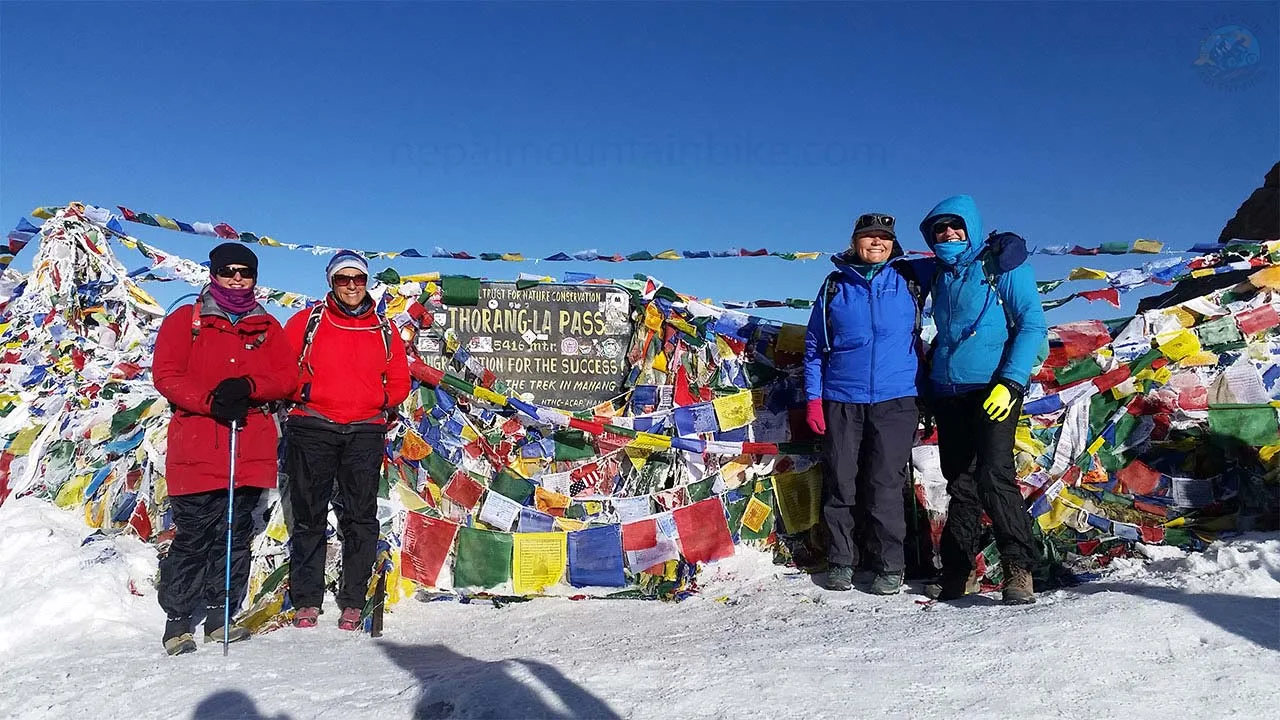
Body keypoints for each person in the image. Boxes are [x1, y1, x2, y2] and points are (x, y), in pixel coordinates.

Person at [152, 243, 298, 655]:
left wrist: (252, 387)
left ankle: (220, 614)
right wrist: (210, 400)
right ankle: (178, 620)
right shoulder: (188, 319)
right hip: (198, 446)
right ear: (214, 274)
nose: (237, 278)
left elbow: (287, 376)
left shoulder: (267, 326)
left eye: (245, 272)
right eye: (228, 270)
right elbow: (166, 374)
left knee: (234, 534)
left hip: (248, 448)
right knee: (194, 535)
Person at [918, 195, 1047, 605]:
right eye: (940, 228)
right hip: (947, 390)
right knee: (961, 483)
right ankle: (959, 571)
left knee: (995, 476)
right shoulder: (937, 274)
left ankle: (1019, 569)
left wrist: (1010, 382)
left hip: (993, 386)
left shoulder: (1000, 263)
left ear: (971, 226)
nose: (948, 233)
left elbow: (1032, 323)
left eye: (956, 225)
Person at [803, 212, 933, 594]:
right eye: (869, 236)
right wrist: (813, 400)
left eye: (884, 237)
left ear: (894, 244)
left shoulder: (912, 278)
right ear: (854, 241)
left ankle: (889, 565)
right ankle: (842, 560)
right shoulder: (834, 286)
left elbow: (959, 260)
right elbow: (814, 347)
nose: (877, 242)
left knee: (884, 485)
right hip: (842, 397)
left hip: (897, 399)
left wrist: (1001, 249)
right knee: (841, 482)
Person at [284, 250, 410, 630]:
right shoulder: (307, 321)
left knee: (360, 517)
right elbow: (283, 367)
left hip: (364, 431)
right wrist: (305, 392)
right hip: (312, 427)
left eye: (358, 278)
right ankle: (307, 598)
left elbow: (400, 380)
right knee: (309, 515)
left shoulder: (384, 329)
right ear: (331, 283)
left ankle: (353, 598)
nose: (352, 286)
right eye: (343, 279)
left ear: (367, 282)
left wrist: (376, 401)